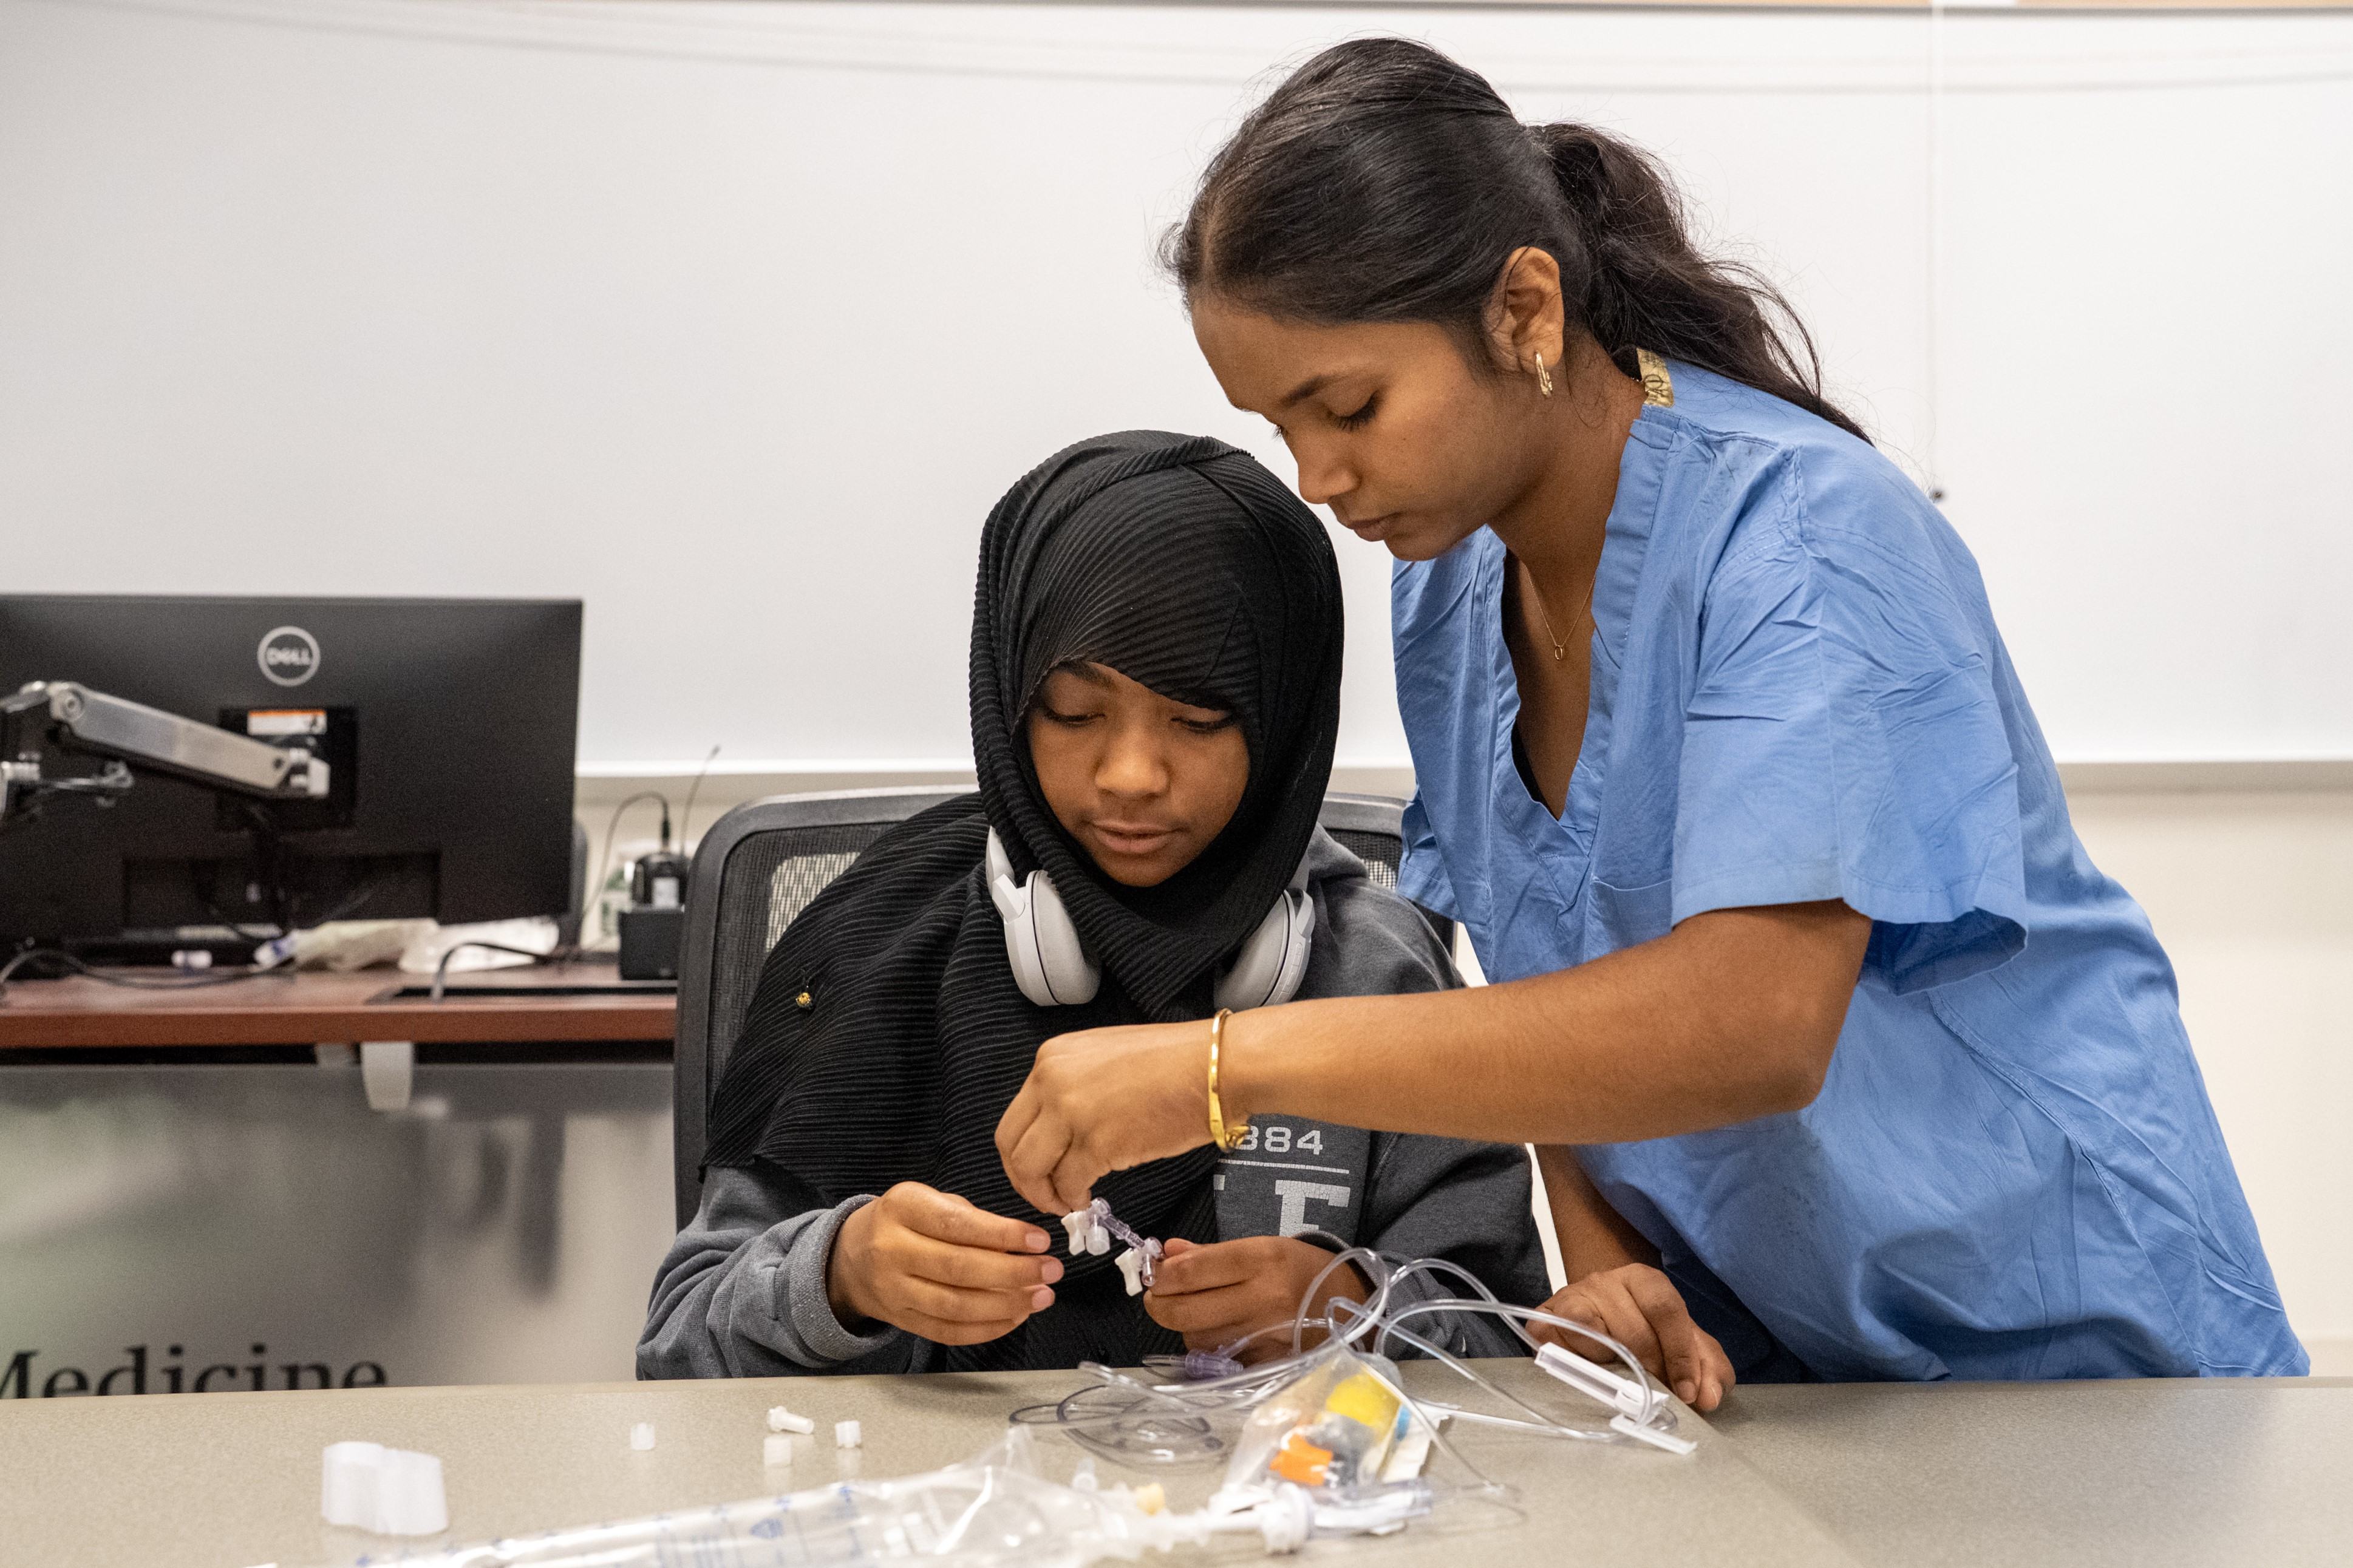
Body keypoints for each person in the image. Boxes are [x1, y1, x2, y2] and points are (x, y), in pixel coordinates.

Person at [992, 39, 2307, 1391]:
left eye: (1351, 407)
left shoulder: (1800, 539)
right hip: (1790, 1360)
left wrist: (1219, 1068)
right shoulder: (1450, 584)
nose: (1324, 478)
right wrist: (1607, 1265)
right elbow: (1542, 982)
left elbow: (1750, 1018)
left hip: (2075, 1350)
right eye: (1283, 429)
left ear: (1524, 309)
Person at [639, 430, 1548, 1379]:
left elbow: (1523, 1348)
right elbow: (677, 1347)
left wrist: (1355, 1312)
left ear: (1284, 721)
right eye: (1074, 713)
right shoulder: (873, 941)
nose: (1130, 776)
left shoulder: (1377, 975)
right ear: (1009, 695)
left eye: (1199, 721)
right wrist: (840, 1276)